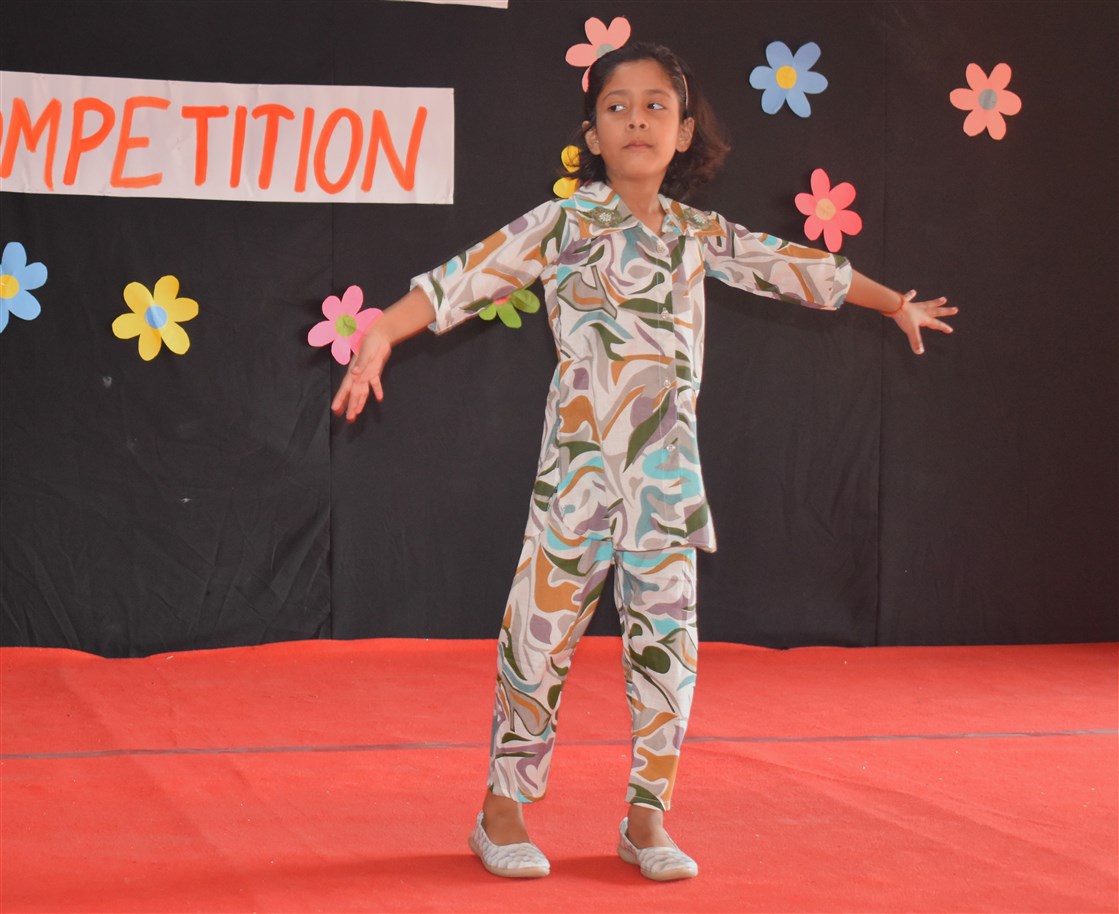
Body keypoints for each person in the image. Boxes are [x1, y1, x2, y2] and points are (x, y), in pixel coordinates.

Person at [331, 42, 956, 882]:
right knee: (536, 642)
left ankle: (645, 818)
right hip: (575, 482)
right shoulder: (563, 223)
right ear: (593, 134)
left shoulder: (698, 234)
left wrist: (892, 304)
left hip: (665, 489)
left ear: (683, 131)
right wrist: (378, 334)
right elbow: (461, 281)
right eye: (617, 106)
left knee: (668, 653)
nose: (636, 120)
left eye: (656, 105)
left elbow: (793, 268)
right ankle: (501, 811)